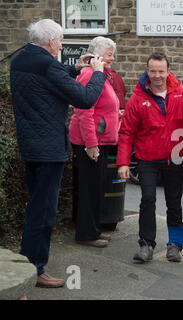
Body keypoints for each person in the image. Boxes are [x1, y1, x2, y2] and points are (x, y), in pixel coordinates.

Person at [10, 19, 106, 288]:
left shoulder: (21, 59)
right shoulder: (47, 64)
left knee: (36, 208)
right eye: (61, 41)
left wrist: (75, 67)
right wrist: (97, 72)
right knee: (44, 213)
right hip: (48, 149)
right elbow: (85, 98)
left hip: (30, 145)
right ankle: (36, 269)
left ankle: (28, 263)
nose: (62, 45)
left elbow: (50, 78)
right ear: (51, 41)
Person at [116, 52, 183, 263]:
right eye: (153, 71)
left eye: (161, 71)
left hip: (174, 158)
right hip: (147, 159)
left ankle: (175, 245)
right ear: (147, 71)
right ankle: (146, 244)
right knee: (148, 199)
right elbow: (127, 131)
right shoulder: (138, 99)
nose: (157, 76)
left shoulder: (181, 94)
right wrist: (122, 162)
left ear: (168, 71)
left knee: (174, 203)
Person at [69, 36, 120, 248]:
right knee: (90, 188)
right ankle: (86, 234)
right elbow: (83, 112)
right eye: (109, 55)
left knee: (95, 187)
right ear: (97, 55)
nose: (113, 58)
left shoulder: (99, 74)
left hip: (99, 139)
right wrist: (91, 144)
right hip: (90, 142)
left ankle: (93, 230)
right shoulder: (89, 74)